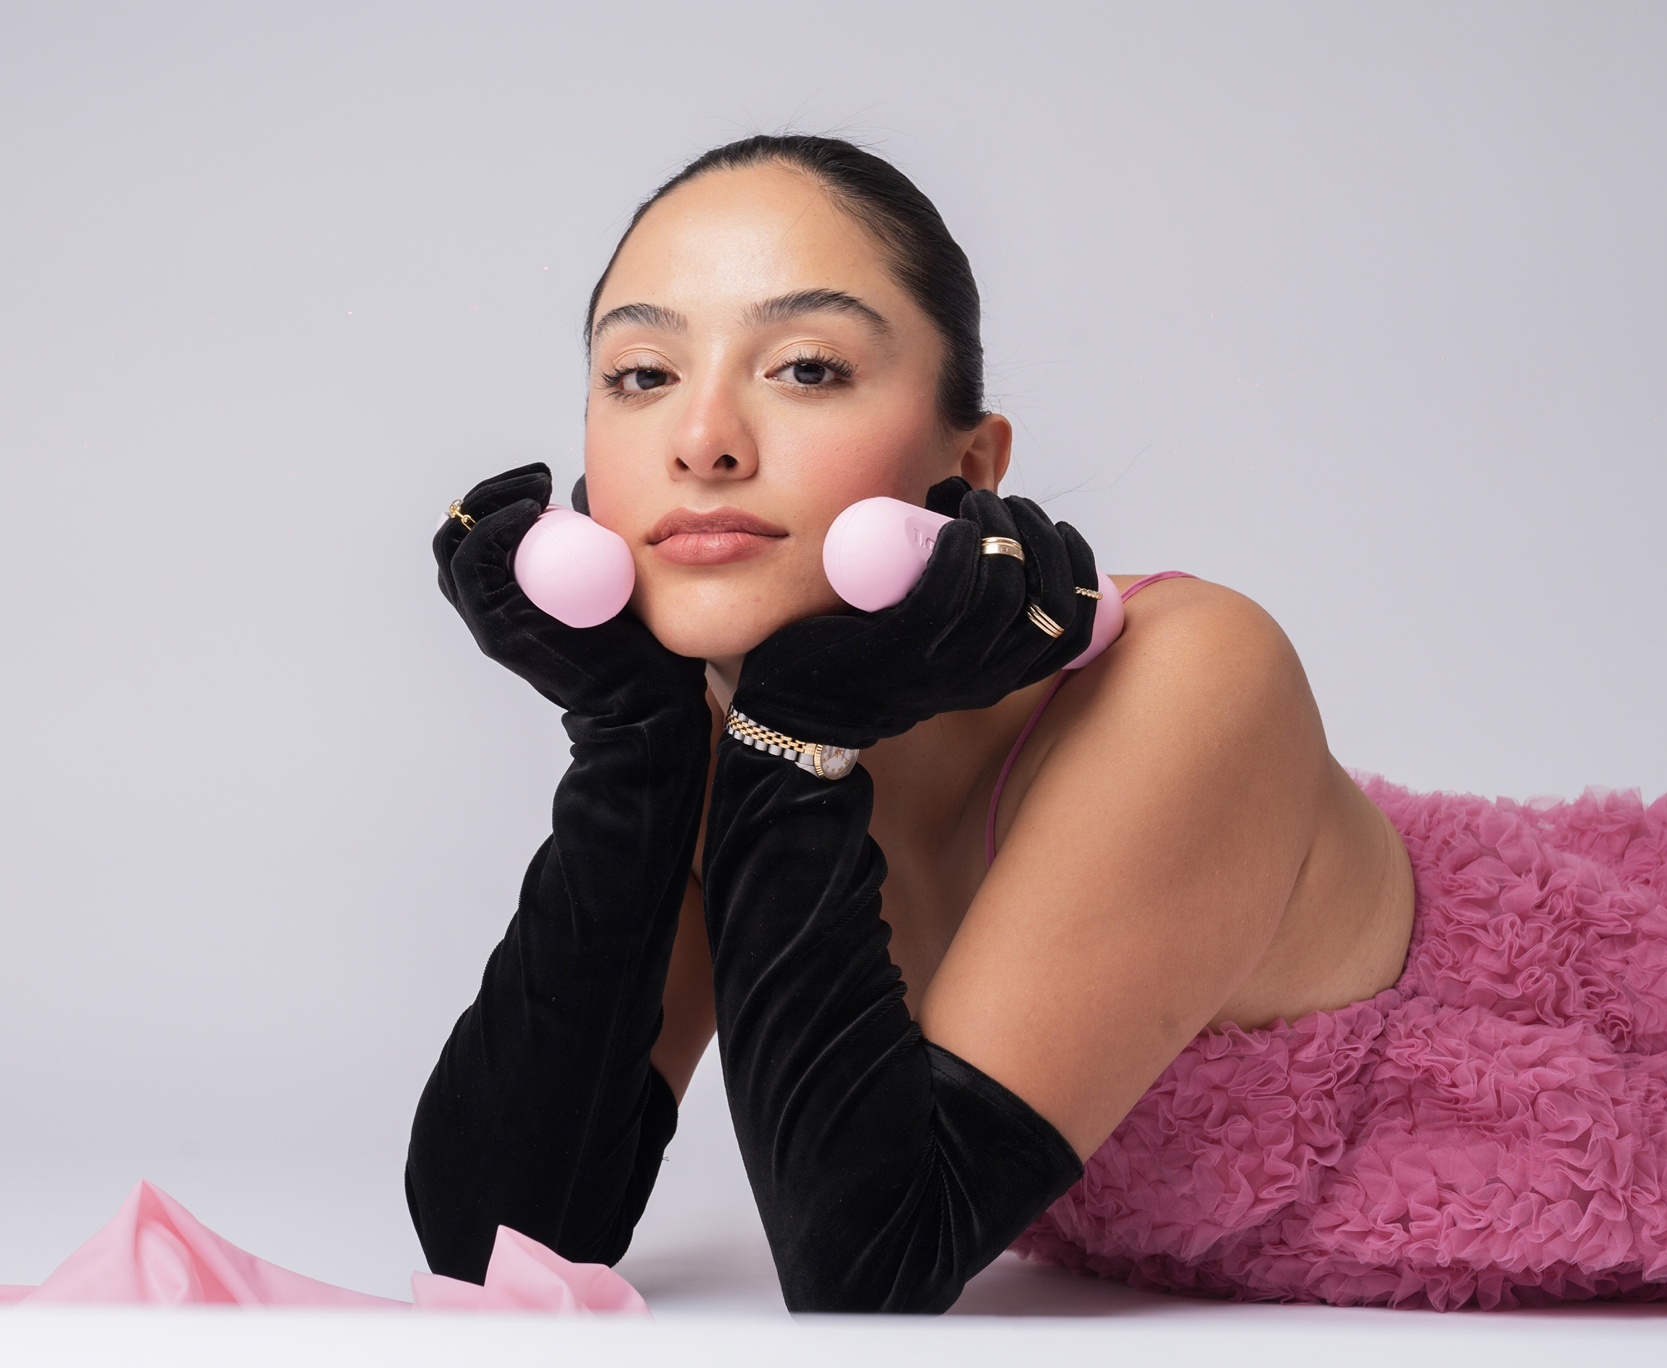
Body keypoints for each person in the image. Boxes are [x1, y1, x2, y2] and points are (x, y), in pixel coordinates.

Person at [407, 135, 1667, 1314]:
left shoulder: (1189, 673)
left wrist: (798, 734)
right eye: (641, 374)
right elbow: (500, 1240)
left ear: (969, 470)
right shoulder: (718, 735)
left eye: (806, 369)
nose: (702, 442)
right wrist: (629, 740)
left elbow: (868, 1269)